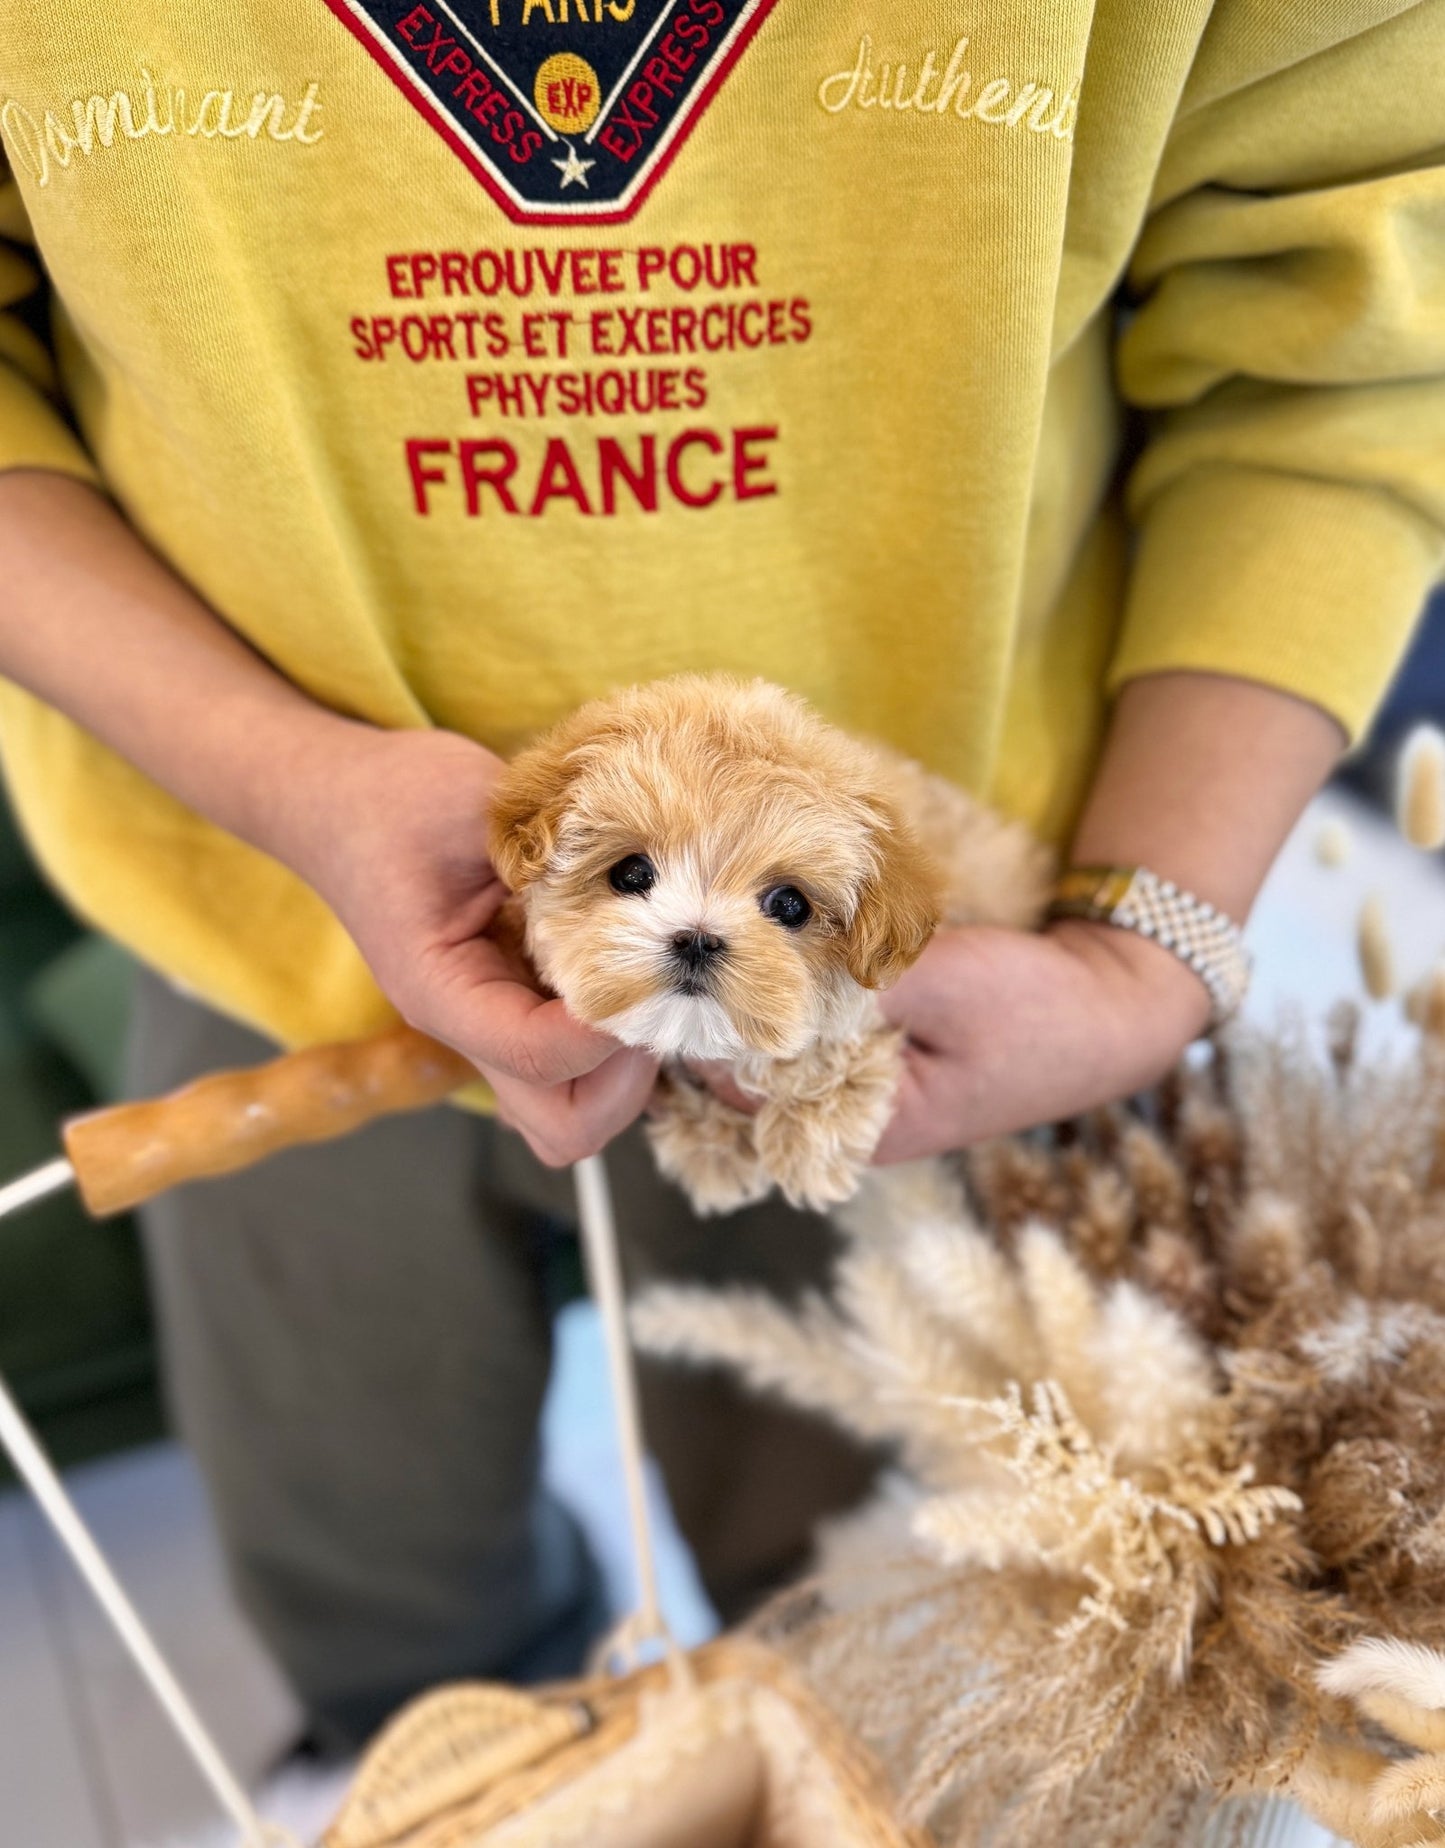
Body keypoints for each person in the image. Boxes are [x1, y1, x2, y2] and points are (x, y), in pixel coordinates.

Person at [0, 3, 1441, 1745]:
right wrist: (276, 772)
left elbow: (1353, 338)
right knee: (369, 1579)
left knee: (861, 1589)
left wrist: (1150, 948)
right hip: (241, 913)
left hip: (922, 1019)